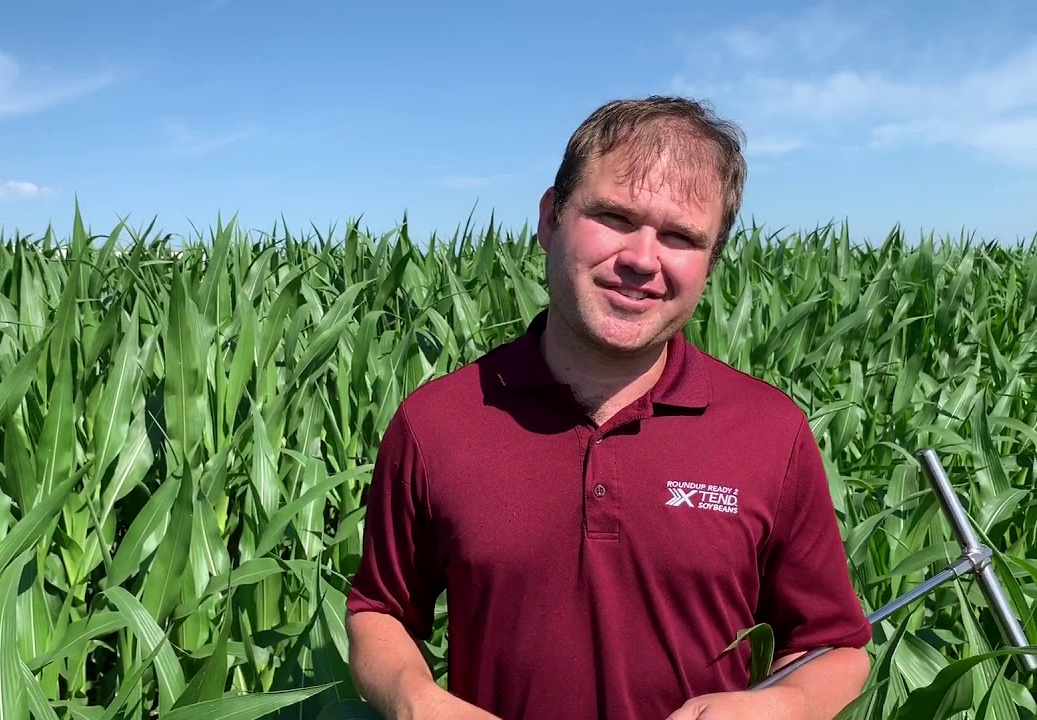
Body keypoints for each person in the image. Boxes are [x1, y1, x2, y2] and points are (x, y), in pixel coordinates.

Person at [343, 96, 872, 720]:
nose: (642, 260)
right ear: (550, 219)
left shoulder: (769, 432)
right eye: (616, 217)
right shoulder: (437, 423)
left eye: (681, 237)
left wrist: (782, 707)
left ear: (710, 262)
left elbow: (835, 646)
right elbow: (379, 611)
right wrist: (415, 701)